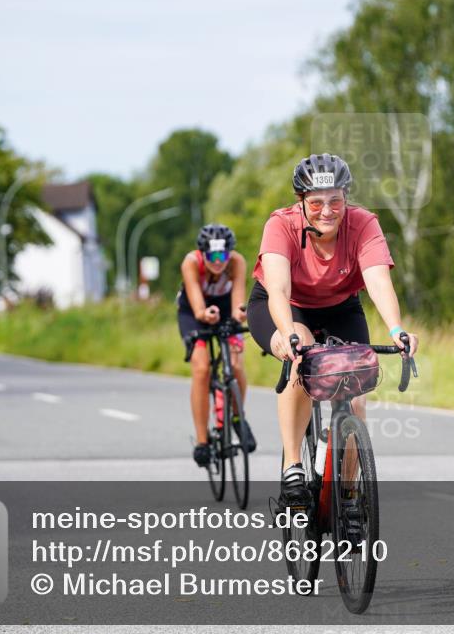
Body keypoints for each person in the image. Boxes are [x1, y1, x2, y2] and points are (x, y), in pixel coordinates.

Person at [246, 153, 419, 508]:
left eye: (336, 201)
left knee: (355, 397)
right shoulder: (281, 225)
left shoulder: (363, 223)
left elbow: (378, 282)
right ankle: (293, 464)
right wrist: (287, 333)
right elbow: (278, 289)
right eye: (316, 203)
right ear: (301, 202)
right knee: (303, 352)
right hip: (284, 306)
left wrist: (397, 329)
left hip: (340, 306)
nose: (327, 210)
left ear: (347, 198)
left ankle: (349, 495)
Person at [177, 223, 256, 467]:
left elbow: (237, 301)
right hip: (193, 310)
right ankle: (202, 441)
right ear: (202, 253)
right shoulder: (190, 263)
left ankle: (237, 418)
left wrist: (238, 316)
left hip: (223, 308)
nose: (219, 261)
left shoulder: (237, 262)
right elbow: (198, 305)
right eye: (212, 256)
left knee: (236, 363)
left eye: (223, 255)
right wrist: (203, 315)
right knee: (201, 369)